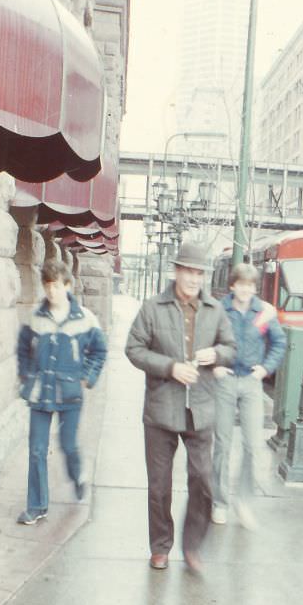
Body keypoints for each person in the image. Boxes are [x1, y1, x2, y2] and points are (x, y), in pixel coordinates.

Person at [125, 242, 236, 573]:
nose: (193, 279)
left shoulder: (215, 310)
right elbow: (133, 349)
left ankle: (192, 546)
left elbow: (231, 348)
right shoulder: (153, 308)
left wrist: (217, 354)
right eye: (188, 271)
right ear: (176, 271)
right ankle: (160, 546)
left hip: (201, 409)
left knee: (202, 480)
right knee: (159, 486)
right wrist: (170, 367)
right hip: (161, 410)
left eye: (199, 273)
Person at [16, 259, 107, 525]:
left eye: (56, 286)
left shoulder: (85, 318)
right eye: (47, 286)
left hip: (70, 394)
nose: (51, 291)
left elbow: (99, 351)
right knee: (37, 450)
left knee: (68, 445)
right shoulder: (35, 316)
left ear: (67, 285)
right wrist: (26, 374)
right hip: (40, 393)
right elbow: (23, 349)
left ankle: (77, 477)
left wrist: (87, 376)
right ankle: (37, 505)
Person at [212, 263, 286, 530]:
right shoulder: (220, 309)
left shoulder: (263, 313)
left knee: (253, 445)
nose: (245, 290)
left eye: (250, 285)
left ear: (255, 288)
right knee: (222, 444)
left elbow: (279, 342)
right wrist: (215, 365)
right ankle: (220, 503)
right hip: (226, 381)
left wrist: (265, 369)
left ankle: (243, 502)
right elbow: (206, 337)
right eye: (241, 284)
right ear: (232, 285)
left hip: (251, 384)